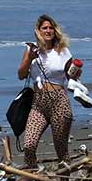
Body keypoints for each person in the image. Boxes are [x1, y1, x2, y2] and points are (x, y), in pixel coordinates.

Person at [16, 14, 78, 166]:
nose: (48, 31)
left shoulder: (63, 51)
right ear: (38, 31)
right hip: (38, 103)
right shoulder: (31, 50)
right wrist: (29, 58)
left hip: (59, 101)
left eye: (51, 28)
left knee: (61, 149)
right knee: (29, 145)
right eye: (45, 28)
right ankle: (32, 179)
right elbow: (21, 75)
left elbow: (72, 76)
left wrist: (76, 72)